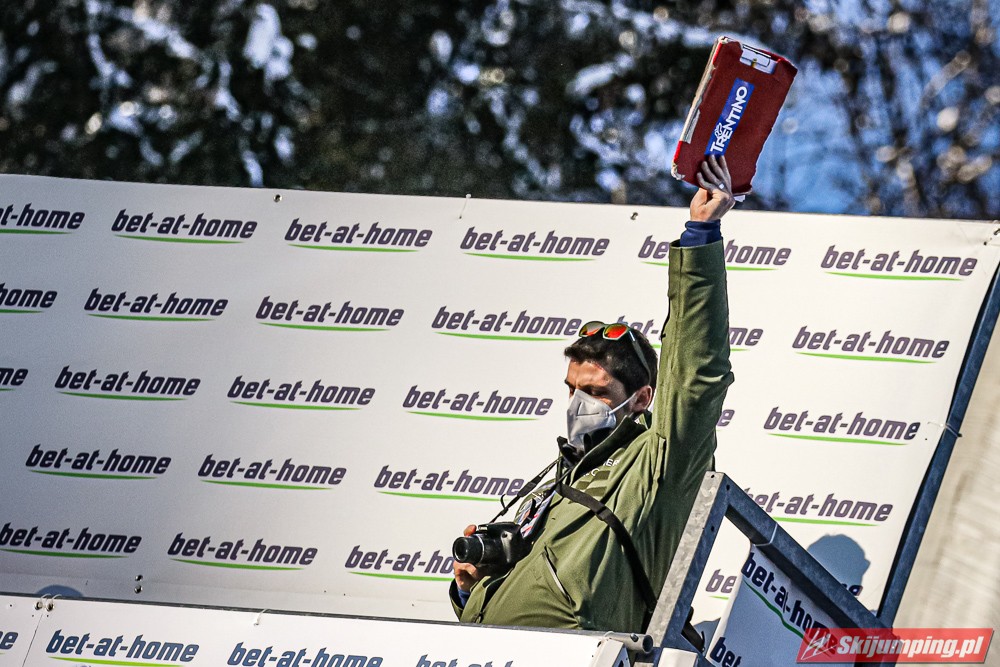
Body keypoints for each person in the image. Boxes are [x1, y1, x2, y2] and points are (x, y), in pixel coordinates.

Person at [449, 155, 737, 632]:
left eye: (595, 391)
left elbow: (696, 375)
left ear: (641, 399)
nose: (577, 405)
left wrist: (700, 236)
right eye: (572, 389)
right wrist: (471, 590)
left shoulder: (659, 463)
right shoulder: (554, 483)